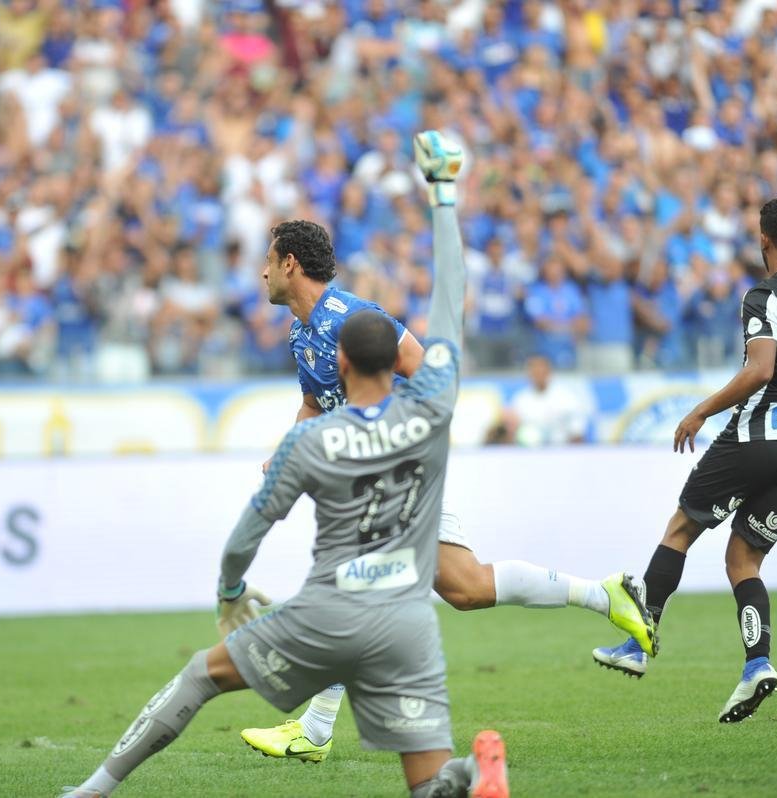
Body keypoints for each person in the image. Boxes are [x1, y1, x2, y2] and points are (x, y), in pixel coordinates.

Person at [59, 131, 508, 798]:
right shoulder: (431, 415)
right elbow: (452, 294)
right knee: (427, 786)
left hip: (330, 613)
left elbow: (249, 532)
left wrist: (231, 591)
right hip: (409, 624)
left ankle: (87, 793)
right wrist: (443, 193)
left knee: (198, 678)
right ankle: (467, 777)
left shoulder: (311, 444)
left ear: (341, 365)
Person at [240, 198, 651, 762]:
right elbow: (314, 402)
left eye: (268, 260)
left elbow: (425, 370)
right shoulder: (300, 335)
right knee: (466, 588)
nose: (260, 272)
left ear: (290, 264)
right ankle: (604, 594)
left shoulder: (354, 318)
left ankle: (313, 731)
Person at [592, 94, 777, 724]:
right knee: (744, 558)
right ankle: (756, 662)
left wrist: (701, 411)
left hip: (753, 438)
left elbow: (759, 369)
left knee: (681, 529)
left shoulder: (764, 296)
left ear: (763, 240)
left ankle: (638, 642)